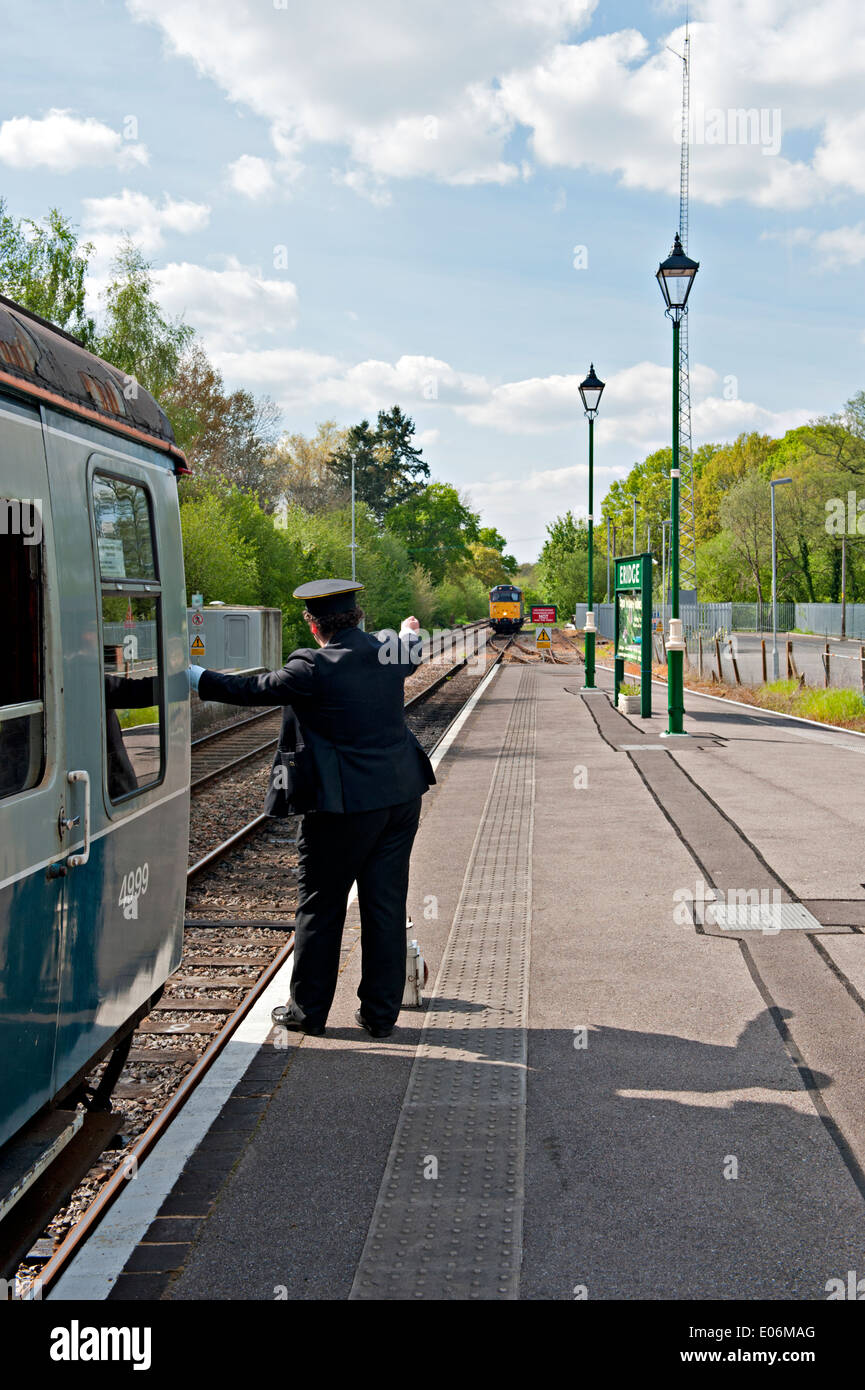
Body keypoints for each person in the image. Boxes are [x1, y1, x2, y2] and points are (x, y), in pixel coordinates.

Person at [187, 580, 434, 1039]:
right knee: (384, 903)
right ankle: (380, 1016)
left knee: (321, 905)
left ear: (313, 624)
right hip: (401, 796)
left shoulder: (311, 666)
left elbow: (253, 689)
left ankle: (309, 1012)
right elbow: (412, 650)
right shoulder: (390, 653)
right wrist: (409, 632)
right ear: (358, 617)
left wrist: (194, 677)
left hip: (342, 807)